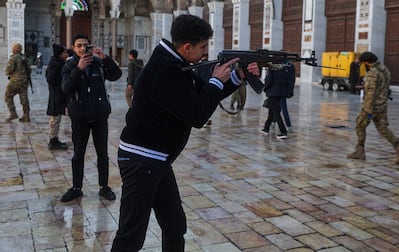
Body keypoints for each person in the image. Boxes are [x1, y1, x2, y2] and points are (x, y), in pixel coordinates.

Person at [111, 14, 259, 252]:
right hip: (142, 160)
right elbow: (197, 115)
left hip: (158, 160)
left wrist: (235, 77)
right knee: (131, 236)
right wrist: (216, 82)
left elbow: (202, 96)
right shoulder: (164, 70)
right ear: (187, 46)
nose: (205, 53)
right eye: (202, 47)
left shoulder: (176, 63)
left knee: (174, 225)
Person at [60, 34, 122, 202]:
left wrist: (106, 58)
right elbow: (66, 88)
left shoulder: (98, 64)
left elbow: (117, 75)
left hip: (99, 116)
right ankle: (76, 187)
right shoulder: (70, 66)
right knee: (78, 154)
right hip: (80, 117)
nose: (82, 49)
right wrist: (78, 69)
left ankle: (104, 186)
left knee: (102, 154)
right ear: (73, 48)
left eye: (85, 46)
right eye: (78, 45)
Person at [347, 51, 399, 164]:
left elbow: (371, 94)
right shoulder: (384, 69)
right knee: (383, 128)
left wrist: (368, 110)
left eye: (363, 63)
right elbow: (383, 86)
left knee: (359, 125)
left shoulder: (372, 73)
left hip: (372, 106)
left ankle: (360, 151)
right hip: (382, 105)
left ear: (366, 62)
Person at [260, 61, 294, 139]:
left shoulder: (272, 66)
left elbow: (269, 80)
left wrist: (265, 88)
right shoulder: (285, 67)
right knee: (272, 111)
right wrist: (289, 91)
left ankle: (283, 132)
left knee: (276, 113)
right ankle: (266, 128)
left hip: (273, 92)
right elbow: (290, 80)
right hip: (281, 92)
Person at [46, 44, 69, 150]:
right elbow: (51, 79)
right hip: (56, 95)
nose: (66, 54)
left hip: (58, 94)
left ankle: (54, 139)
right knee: (55, 118)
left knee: (57, 118)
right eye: (64, 52)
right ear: (59, 54)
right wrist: (58, 89)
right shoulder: (55, 64)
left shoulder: (59, 63)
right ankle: (53, 141)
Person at [5, 42, 31, 123]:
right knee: (24, 98)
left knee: (8, 96)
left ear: (14, 49)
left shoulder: (13, 58)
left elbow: (9, 70)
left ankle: (13, 113)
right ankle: (26, 115)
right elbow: (29, 70)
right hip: (24, 81)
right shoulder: (24, 57)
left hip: (15, 81)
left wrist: (8, 72)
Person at [279, 61, 295, 130]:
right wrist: (290, 91)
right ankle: (271, 122)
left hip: (278, 90)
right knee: (278, 107)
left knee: (279, 107)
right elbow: (292, 80)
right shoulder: (290, 66)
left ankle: (288, 125)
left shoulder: (277, 65)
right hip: (284, 90)